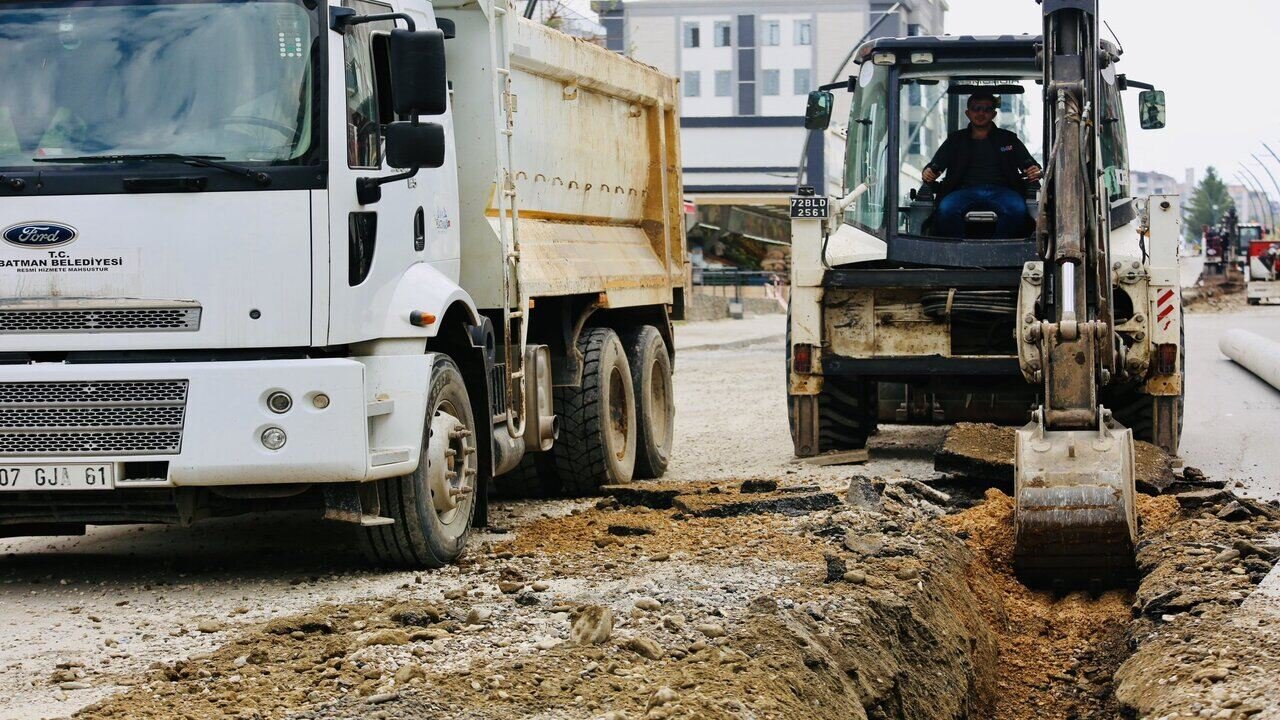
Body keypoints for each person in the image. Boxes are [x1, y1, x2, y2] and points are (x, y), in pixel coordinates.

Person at [921, 92, 1043, 238]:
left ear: (994, 114)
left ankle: (998, 250)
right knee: (946, 210)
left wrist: (1035, 170)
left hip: (1003, 191)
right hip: (963, 191)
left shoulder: (1008, 139)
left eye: (986, 109)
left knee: (1017, 210)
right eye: (976, 108)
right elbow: (934, 166)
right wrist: (928, 173)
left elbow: (1031, 165)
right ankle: (957, 252)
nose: (981, 113)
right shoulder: (955, 140)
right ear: (968, 113)